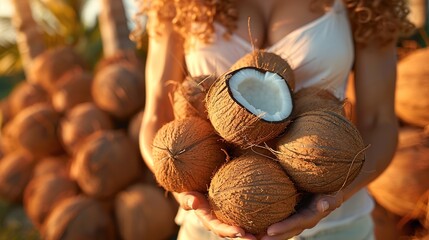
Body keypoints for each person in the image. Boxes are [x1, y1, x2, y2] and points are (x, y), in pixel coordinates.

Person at [134, 0, 414, 239]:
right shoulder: (177, 3)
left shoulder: (368, 4)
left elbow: (380, 122)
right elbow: (156, 114)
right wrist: (185, 192)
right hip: (212, 224)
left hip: (336, 227)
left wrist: (335, 197)